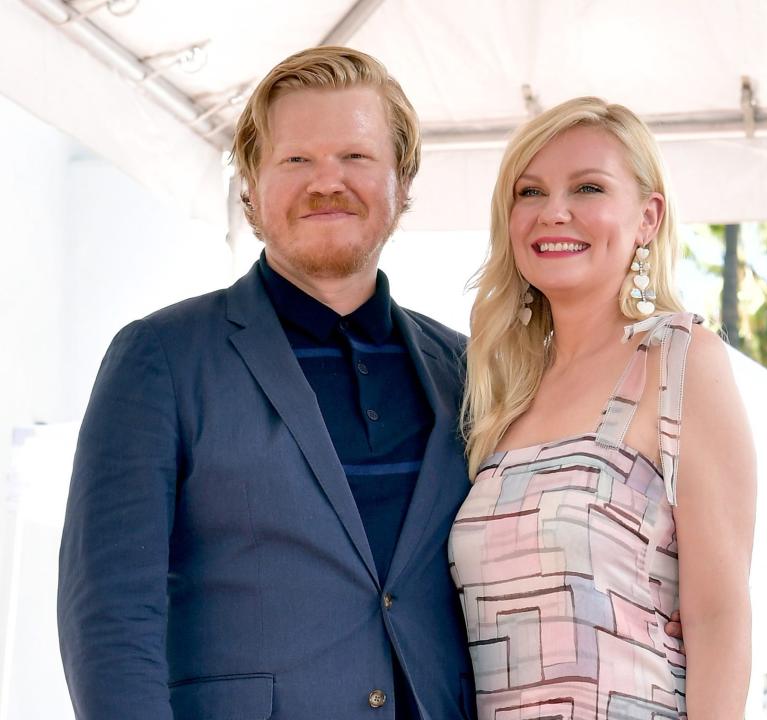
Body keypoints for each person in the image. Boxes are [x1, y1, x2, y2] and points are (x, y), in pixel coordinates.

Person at [57, 46, 477, 720]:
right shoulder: (161, 358)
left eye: (357, 158)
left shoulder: (466, 370)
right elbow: (108, 613)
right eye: (296, 160)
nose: (326, 181)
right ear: (250, 184)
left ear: (402, 179)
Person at [450, 97, 756, 719]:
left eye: (587, 187)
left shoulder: (677, 359)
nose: (552, 212)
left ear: (648, 217)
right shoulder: (500, 392)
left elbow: (719, 615)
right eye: (529, 192)